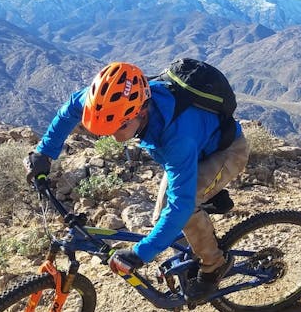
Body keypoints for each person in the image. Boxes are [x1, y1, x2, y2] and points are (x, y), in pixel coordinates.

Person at [25, 61, 251, 297]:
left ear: (141, 112)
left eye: (117, 128)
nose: (111, 135)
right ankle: (195, 250)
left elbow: (180, 204)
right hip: (194, 149)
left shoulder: (176, 137)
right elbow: (72, 108)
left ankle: (215, 265)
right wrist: (44, 153)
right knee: (164, 218)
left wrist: (140, 254)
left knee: (185, 207)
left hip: (226, 152)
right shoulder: (111, 101)